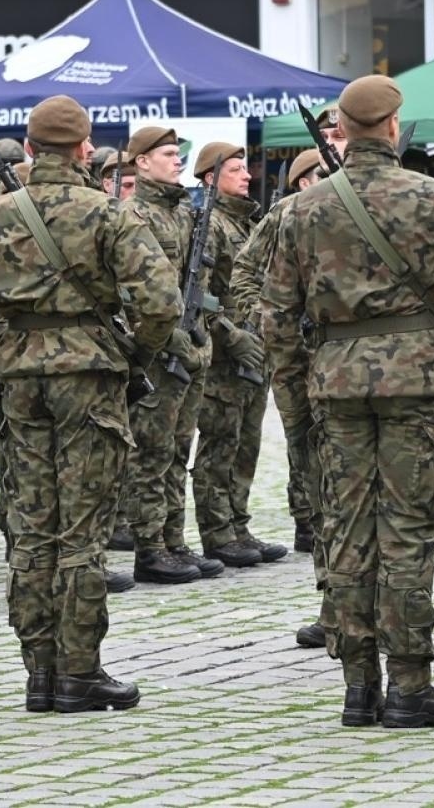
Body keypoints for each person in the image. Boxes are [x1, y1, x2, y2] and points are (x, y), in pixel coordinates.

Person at [263, 75, 434, 729]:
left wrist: (297, 391)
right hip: (417, 384)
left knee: (346, 533)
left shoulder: (302, 209)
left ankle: (358, 688)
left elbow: (275, 315)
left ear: (341, 132)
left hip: (336, 384)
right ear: (395, 126)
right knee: (407, 533)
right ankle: (409, 686)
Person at [0, 95, 180, 714]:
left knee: (31, 529)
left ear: (29, 148)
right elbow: (161, 305)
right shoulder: (110, 212)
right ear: (83, 149)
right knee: (82, 532)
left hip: (19, 381)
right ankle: (79, 671)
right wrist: (131, 358)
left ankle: (39, 673)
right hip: (90, 382)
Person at [230, 149, 329, 649]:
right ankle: (335, 600)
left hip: (355, 362)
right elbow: (244, 273)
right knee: (316, 477)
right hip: (297, 365)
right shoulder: (283, 215)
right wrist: (271, 324)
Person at [119, 126, 219, 586]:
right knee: (151, 452)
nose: (177, 160)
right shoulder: (132, 215)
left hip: (190, 347)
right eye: (166, 154)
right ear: (141, 162)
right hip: (157, 352)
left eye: (177, 153)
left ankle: (174, 539)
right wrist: (159, 338)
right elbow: (129, 291)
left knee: (179, 449)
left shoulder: (182, 212)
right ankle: (150, 546)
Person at [191, 141, 282, 568]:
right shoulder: (210, 224)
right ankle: (217, 532)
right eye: (236, 170)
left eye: (246, 170)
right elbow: (200, 295)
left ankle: (238, 524)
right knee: (220, 443)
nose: (247, 176)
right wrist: (230, 336)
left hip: (257, 349)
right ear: (211, 178)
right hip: (227, 355)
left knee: (247, 443)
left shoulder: (248, 223)